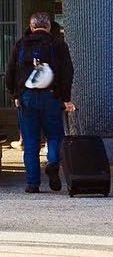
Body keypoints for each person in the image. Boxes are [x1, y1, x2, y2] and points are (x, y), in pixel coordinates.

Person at [5, 11, 74, 193]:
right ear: (49, 26)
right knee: (55, 135)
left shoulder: (21, 44)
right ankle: (52, 162)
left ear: (31, 26)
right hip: (51, 96)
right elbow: (68, 72)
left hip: (27, 97)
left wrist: (15, 95)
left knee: (30, 141)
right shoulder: (58, 44)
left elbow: (10, 72)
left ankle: (32, 184)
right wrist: (65, 97)